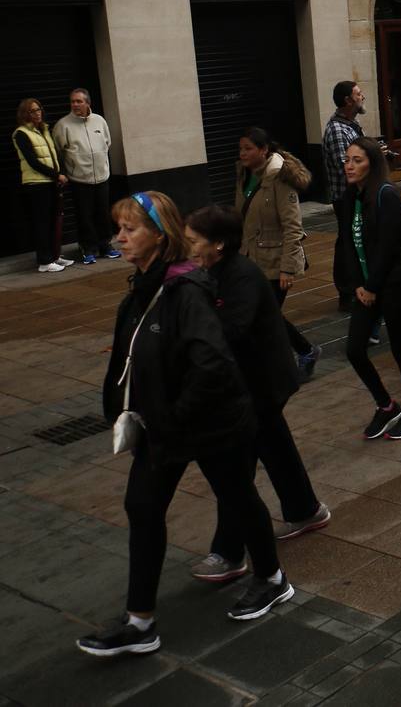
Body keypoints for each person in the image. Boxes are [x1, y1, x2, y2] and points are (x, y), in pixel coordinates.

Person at [78, 192, 291, 657]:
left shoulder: (185, 289)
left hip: (211, 423)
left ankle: (271, 578)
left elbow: (213, 365)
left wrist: (172, 420)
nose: (119, 237)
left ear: (160, 234)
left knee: (237, 496)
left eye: (130, 229)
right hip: (166, 428)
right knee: (143, 506)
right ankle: (140, 622)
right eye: (119, 228)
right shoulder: (142, 287)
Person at [183, 205, 328, 580]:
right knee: (275, 446)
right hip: (254, 382)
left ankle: (229, 552)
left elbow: (232, 331)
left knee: (236, 466)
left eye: (194, 241)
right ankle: (305, 509)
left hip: (260, 383)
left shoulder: (241, 276)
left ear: (218, 244)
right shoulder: (213, 272)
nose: (189, 247)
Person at [336, 137, 401, 441]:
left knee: (400, 350)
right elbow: (347, 242)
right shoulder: (351, 196)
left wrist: (372, 285)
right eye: (347, 160)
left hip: (394, 285)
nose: (349, 165)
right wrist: (358, 285)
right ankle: (386, 405)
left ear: (372, 164)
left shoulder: (386, 195)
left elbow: (387, 247)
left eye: (357, 160)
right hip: (365, 288)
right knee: (354, 350)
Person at [234, 127, 320, 379]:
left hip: (275, 261)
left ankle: (300, 354)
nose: (243, 154)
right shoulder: (243, 175)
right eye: (241, 149)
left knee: (263, 315)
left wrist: (287, 268)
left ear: (264, 150)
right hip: (250, 259)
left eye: (248, 148)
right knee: (262, 315)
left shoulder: (279, 178)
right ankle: (303, 352)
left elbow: (293, 226)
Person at [52, 88, 118, 264]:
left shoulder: (100, 121)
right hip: (79, 179)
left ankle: (106, 246)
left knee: (103, 213)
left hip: (102, 177)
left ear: (88, 103)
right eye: (72, 101)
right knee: (85, 216)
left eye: (79, 101)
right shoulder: (63, 125)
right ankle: (88, 248)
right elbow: (58, 151)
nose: (75, 104)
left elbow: (107, 143)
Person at [323, 81, 368, 310]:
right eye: (359, 94)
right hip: (345, 197)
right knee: (347, 242)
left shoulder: (352, 125)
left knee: (356, 239)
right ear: (348, 101)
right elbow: (347, 167)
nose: (363, 97)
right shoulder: (337, 131)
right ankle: (346, 292)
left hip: (358, 195)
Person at [13, 97, 70, 273]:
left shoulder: (44, 130)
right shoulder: (21, 133)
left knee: (53, 221)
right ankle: (44, 261)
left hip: (51, 182)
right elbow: (32, 161)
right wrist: (56, 175)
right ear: (25, 114)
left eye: (38, 110)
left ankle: (54, 255)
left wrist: (61, 173)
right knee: (42, 223)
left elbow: (54, 155)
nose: (37, 113)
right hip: (36, 184)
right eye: (32, 111)